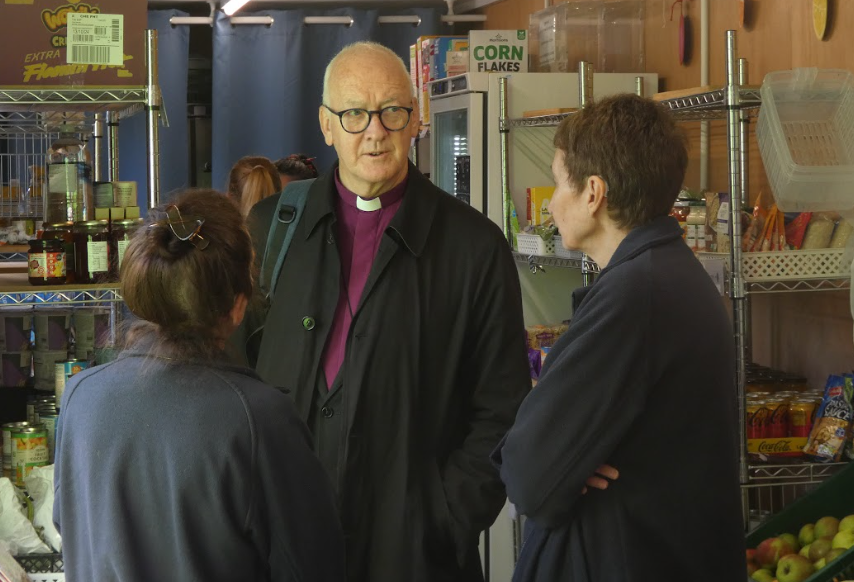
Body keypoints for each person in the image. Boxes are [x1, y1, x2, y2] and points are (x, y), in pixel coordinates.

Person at [244, 41, 531, 582]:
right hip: (281, 543)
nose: (374, 131)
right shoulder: (270, 229)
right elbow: (230, 376)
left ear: (416, 119)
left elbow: (501, 410)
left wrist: (442, 520)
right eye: (354, 113)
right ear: (327, 125)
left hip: (414, 555)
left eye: (391, 111)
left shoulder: (474, 247)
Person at [493, 94, 746, 582]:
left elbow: (528, 475)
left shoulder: (634, 296)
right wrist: (564, 460)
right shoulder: (664, 274)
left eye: (557, 181)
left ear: (593, 193)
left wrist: (554, 460)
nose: (552, 200)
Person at [53, 189, 345, 582]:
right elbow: (314, 566)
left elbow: (67, 524)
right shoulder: (258, 419)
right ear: (239, 304)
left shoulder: (80, 396)